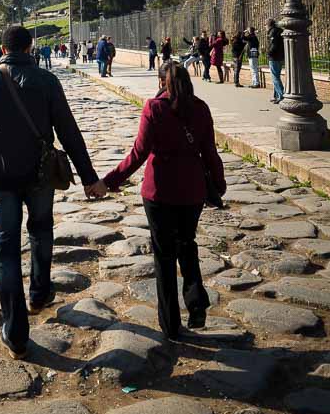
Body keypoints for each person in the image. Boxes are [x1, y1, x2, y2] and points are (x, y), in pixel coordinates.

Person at [0, 24, 100, 359]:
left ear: (3, 49)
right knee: (41, 230)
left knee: (6, 250)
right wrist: (89, 176)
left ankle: (16, 332)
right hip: (39, 176)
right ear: (30, 47)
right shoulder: (47, 81)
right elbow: (68, 131)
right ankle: (39, 293)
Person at [88, 61, 226, 340]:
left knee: (164, 257)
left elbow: (138, 153)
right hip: (192, 191)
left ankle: (171, 325)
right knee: (187, 243)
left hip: (159, 192)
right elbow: (210, 151)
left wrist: (108, 181)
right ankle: (196, 302)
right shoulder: (200, 108)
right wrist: (218, 185)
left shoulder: (154, 107)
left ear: (162, 82)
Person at [267, 18, 285, 103]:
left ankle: (281, 95)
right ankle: (276, 95)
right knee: (276, 76)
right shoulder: (280, 30)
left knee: (275, 77)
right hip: (280, 56)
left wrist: (268, 53)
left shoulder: (272, 32)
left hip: (274, 57)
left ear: (268, 25)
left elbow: (273, 45)